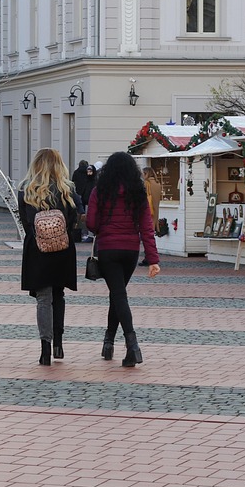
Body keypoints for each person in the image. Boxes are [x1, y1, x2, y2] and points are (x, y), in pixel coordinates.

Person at [87, 151, 161, 367]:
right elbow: (147, 227)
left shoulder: (99, 191)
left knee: (118, 295)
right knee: (117, 294)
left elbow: (91, 224)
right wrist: (153, 259)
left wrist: (105, 225)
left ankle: (132, 345)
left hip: (108, 249)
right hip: (130, 250)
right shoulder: (137, 192)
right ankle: (108, 342)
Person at [18, 148, 80, 366]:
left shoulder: (26, 189)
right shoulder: (67, 189)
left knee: (43, 298)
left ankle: (45, 348)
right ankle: (59, 344)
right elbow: (74, 219)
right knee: (58, 294)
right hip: (62, 249)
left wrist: (38, 237)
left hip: (37, 249)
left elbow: (25, 223)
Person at [141, 166, 164, 265]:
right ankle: (151, 256)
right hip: (155, 212)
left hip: (147, 212)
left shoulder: (147, 184)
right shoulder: (157, 183)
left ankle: (148, 257)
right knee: (151, 235)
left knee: (146, 237)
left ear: (146, 174)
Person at [73, 161, 96, 241]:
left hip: (84, 198)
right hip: (87, 199)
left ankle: (85, 234)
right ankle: (87, 234)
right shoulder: (90, 180)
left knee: (83, 217)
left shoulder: (77, 173)